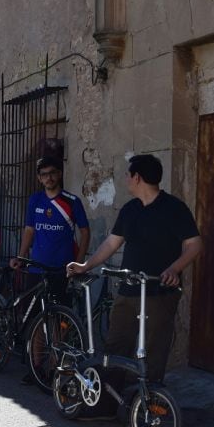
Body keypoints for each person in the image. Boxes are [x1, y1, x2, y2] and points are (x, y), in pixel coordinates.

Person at [67, 154, 202, 400]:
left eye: (128, 175)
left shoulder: (174, 208)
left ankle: (147, 403)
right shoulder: (129, 210)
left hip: (160, 292)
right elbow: (111, 244)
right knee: (117, 344)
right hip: (129, 291)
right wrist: (86, 265)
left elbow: (194, 245)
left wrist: (174, 268)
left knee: (154, 349)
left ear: (137, 177)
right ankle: (109, 399)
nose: (126, 180)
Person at [12, 156, 90, 299]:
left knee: (61, 316)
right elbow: (29, 230)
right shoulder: (35, 200)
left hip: (62, 269)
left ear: (59, 174)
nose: (49, 177)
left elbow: (85, 232)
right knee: (34, 318)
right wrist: (21, 257)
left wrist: (79, 263)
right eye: (44, 174)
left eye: (52, 173)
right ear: (39, 178)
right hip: (36, 267)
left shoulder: (72, 201)